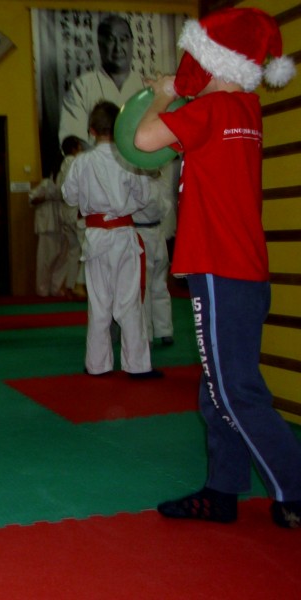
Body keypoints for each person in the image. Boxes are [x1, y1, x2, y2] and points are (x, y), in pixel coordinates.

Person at [134, 7, 301, 528]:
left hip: (219, 267)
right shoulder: (245, 109)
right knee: (217, 386)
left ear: (213, 62)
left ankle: (295, 490)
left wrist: (164, 93)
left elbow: (144, 139)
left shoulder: (213, 110)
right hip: (244, 269)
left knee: (233, 390)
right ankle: (222, 490)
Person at [62, 100, 160, 379]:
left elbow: (69, 196)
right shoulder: (128, 159)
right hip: (123, 235)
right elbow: (143, 197)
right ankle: (137, 365)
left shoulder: (81, 162)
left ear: (91, 131)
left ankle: (97, 364)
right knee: (128, 301)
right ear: (119, 128)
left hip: (95, 238)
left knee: (99, 302)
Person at [59, 14, 143, 148]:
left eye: (123, 39)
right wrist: (99, 158)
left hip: (137, 160)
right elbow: (72, 137)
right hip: (93, 159)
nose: (118, 47)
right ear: (99, 44)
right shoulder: (82, 86)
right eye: (111, 40)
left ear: (132, 43)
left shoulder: (147, 86)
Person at [133, 170, 174, 345]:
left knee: (147, 284)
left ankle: (150, 332)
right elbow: (166, 207)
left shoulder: (138, 180)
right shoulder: (160, 181)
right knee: (157, 284)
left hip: (145, 232)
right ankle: (163, 329)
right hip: (153, 232)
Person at [55, 135, 87, 300]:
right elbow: (79, 187)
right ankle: (79, 286)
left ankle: (69, 287)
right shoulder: (76, 163)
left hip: (66, 213)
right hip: (76, 212)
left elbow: (59, 190)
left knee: (74, 251)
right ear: (75, 148)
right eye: (80, 146)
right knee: (86, 249)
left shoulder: (63, 166)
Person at [28, 170, 68, 298]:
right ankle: (42, 290)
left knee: (62, 259)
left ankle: (56, 288)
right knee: (45, 260)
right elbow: (31, 199)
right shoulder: (46, 183)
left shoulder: (65, 185)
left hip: (62, 226)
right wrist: (45, 198)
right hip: (47, 227)